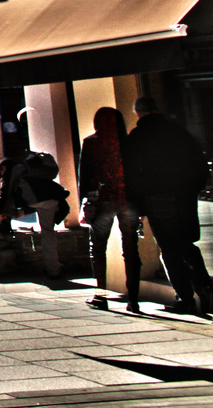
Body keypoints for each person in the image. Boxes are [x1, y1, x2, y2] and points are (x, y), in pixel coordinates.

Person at [124, 96, 213, 316]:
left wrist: (136, 207)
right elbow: (199, 164)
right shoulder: (179, 132)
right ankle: (204, 286)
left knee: (169, 247)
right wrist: (193, 189)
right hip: (184, 196)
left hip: (156, 197)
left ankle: (185, 297)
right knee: (185, 243)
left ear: (139, 113)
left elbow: (132, 174)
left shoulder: (138, 137)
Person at [79, 107, 141, 313]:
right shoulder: (129, 143)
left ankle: (100, 295)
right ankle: (133, 300)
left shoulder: (91, 142)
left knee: (98, 249)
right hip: (128, 199)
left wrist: (86, 203)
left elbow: (85, 176)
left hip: (102, 200)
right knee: (131, 250)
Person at [0, 147, 71, 277]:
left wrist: (0, 210)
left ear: (3, 167)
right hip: (52, 199)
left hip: (37, 201)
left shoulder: (13, 171)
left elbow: (5, 192)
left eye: (0, 170)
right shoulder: (28, 169)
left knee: (22, 210)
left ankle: (53, 270)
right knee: (48, 232)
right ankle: (54, 269)